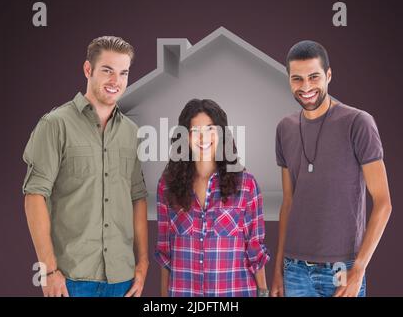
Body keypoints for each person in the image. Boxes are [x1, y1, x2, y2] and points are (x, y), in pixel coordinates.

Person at [22, 36, 149, 297]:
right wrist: (48, 271)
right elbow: (34, 196)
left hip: (121, 281)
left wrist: (143, 263)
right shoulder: (55, 125)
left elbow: (137, 198)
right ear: (88, 70)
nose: (116, 81)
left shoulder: (131, 132)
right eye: (108, 71)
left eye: (123, 73)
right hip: (70, 280)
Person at [271, 40, 392, 297]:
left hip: (343, 268)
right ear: (289, 80)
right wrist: (278, 270)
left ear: (328, 75)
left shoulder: (358, 123)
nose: (306, 87)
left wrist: (358, 269)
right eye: (297, 79)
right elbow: (288, 202)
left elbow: (383, 202)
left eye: (314, 77)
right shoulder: (285, 128)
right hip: (295, 270)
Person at [154, 99, 270, 297]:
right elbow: (165, 253)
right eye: (195, 131)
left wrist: (264, 293)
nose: (203, 137)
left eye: (210, 129)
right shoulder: (167, 186)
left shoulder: (246, 185)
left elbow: (255, 249)